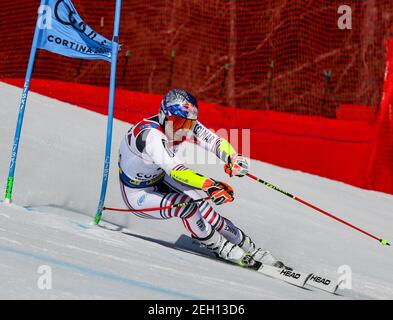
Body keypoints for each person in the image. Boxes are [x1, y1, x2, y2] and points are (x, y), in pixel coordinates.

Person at [118, 88, 285, 268]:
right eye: (176, 122)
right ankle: (219, 246)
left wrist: (232, 157)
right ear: (163, 115)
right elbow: (177, 171)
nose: (181, 129)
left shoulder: (185, 125)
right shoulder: (152, 136)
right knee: (187, 206)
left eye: (187, 124)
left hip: (159, 177)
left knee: (204, 207)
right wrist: (210, 185)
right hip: (137, 192)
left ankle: (249, 247)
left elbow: (214, 141)